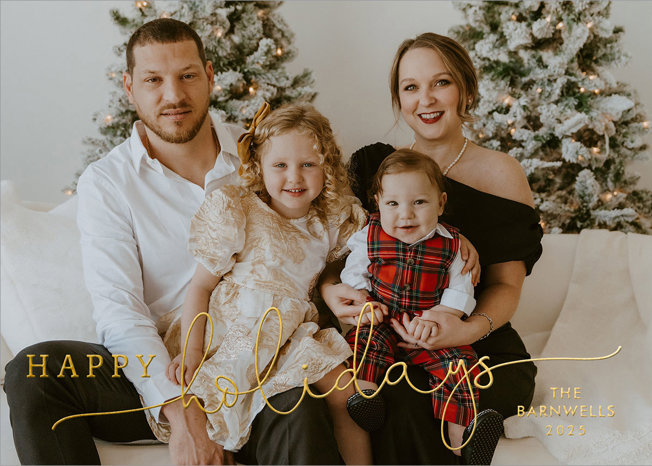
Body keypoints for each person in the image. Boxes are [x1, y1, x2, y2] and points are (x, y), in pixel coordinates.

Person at [3, 18, 343, 465]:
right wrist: (182, 413)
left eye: (186, 76)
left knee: (300, 405)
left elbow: (320, 234)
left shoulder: (265, 153)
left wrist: (331, 283)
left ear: (209, 76)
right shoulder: (108, 182)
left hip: (257, 357)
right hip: (160, 364)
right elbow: (119, 310)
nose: (173, 95)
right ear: (129, 87)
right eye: (153, 80)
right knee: (35, 371)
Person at [319, 32, 542, 464]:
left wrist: (465, 330)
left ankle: (468, 435)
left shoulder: (501, 173)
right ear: (398, 98)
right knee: (396, 400)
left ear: (466, 89)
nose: (426, 99)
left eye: (441, 82)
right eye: (410, 87)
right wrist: (332, 291)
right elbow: (347, 255)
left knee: (475, 390)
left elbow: (506, 286)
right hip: (391, 330)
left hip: (474, 334)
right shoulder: (377, 167)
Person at [158, 102, 371, 464]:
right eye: (280, 166)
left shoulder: (331, 222)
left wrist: (453, 240)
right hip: (236, 328)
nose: (294, 177)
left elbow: (366, 253)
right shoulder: (240, 209)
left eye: (308, 165)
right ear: (259, 166)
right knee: (222, 403)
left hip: (291, 336)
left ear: (327, 167)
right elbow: (201, 287)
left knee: (345, 393)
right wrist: (192, 349)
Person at [340, 149, 503, 461]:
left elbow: (461, 290)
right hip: (383, 320)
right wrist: (365, 303)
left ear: (440, 203)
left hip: (430, 329)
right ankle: (365, 398)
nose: (406, 214)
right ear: (378, 203)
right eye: (393, 204)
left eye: (419, 202)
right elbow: (353, 274)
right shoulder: (368, 237)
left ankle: (463, 440)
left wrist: (438, 317)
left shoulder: (454, 246)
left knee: (459, 366)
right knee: (361, 343)